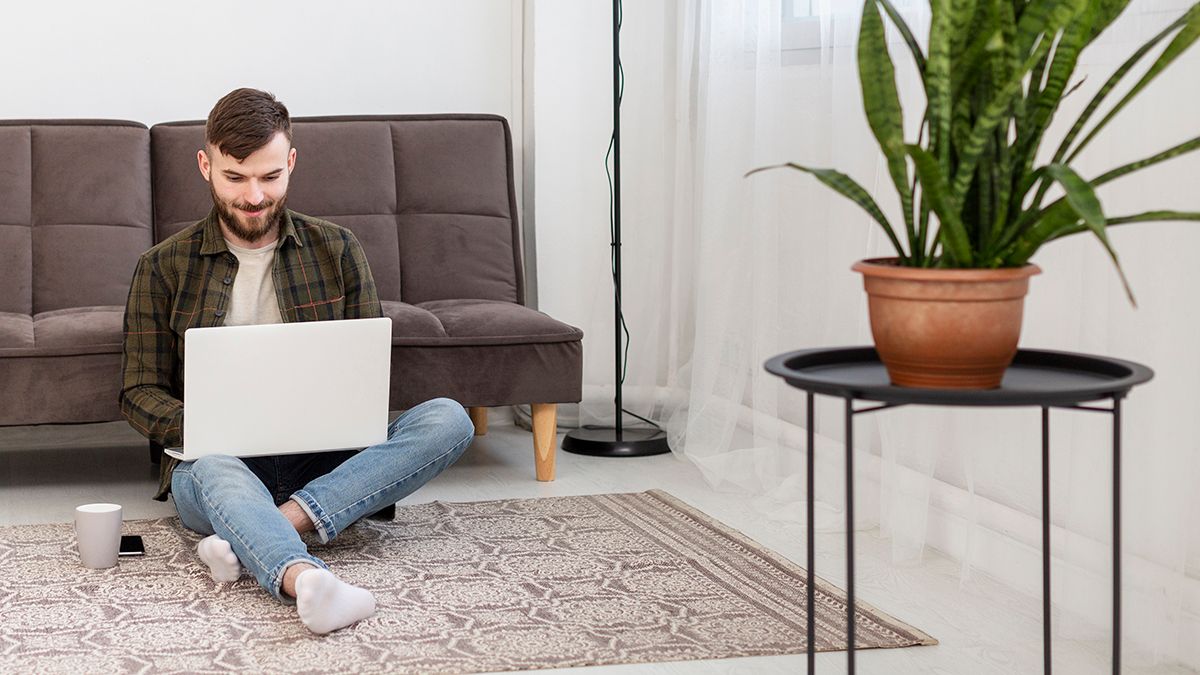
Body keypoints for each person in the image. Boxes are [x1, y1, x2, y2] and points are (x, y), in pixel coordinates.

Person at [120, 88, 474, 634]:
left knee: (449, 417)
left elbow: (366, 369)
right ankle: (303, 576)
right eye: (235, 177)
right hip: (220, 465)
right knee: (212, 465)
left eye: (269, 176)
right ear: (205, 166)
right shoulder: (162, 266)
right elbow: (137, 390)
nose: (254, 195)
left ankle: (262, 530)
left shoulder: (338, 249)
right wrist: (208, 426)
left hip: (324, 457)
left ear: (290, 162)